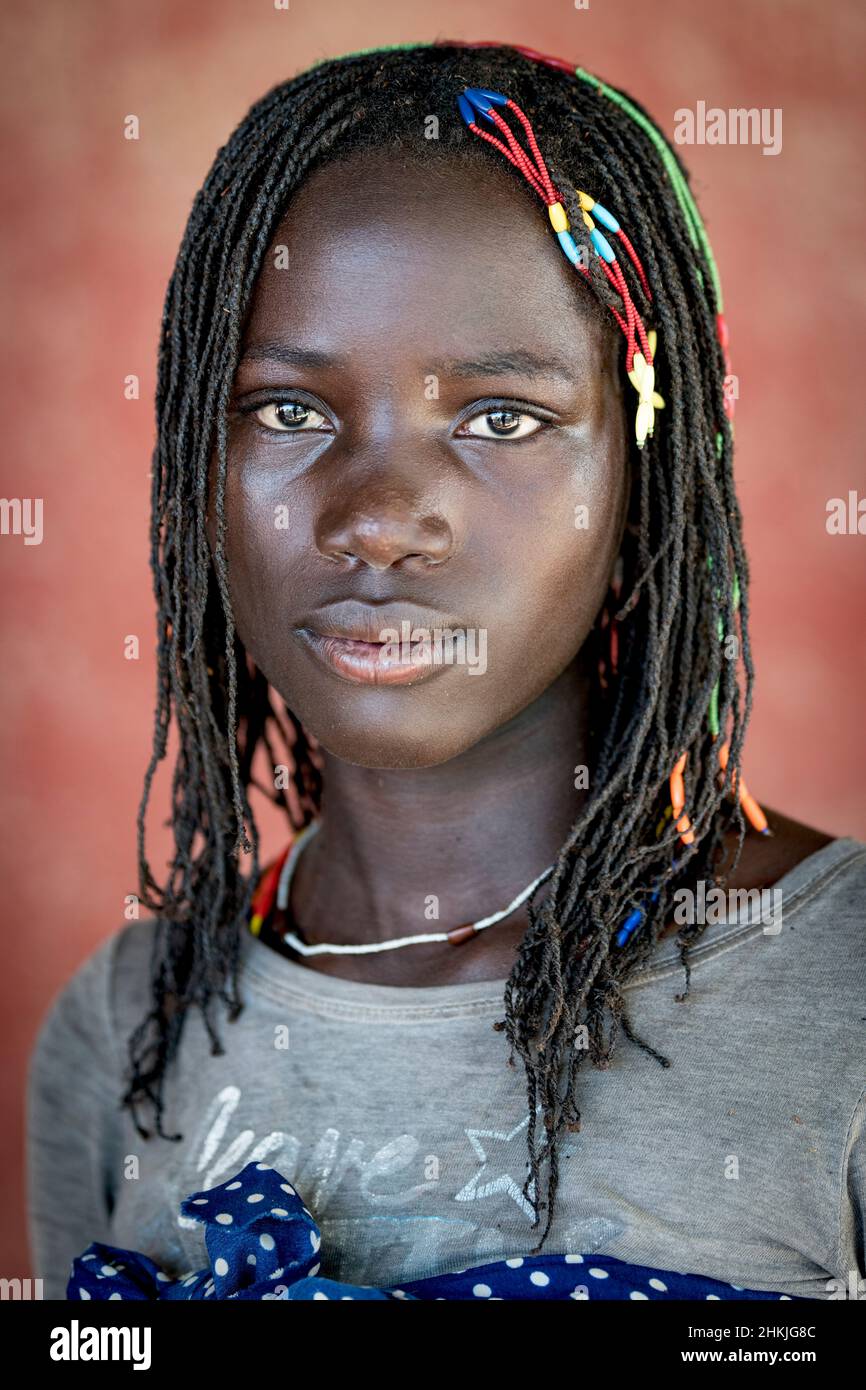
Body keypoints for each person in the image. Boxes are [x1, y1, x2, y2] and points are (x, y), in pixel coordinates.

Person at [26, 40, 866, 1302]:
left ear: (643, 475)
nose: (376, 519)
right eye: (289, 413)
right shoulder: (128, 1023)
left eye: (500, 417)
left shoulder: (838, 988)